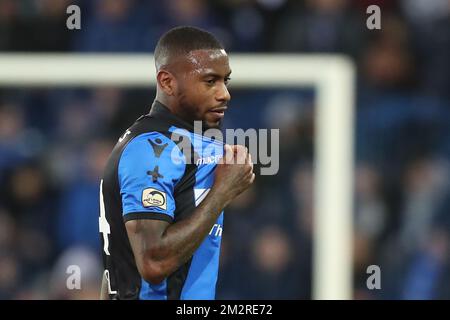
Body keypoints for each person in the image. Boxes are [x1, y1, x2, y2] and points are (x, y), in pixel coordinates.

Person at [99, 26, 255, 300]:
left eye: (225, 81)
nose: (224, 94)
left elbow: (113, 274)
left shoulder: (190, 143)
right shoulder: (151, 149)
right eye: (210, 81)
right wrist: (223, 192)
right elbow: (153, 262)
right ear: (168, 82)